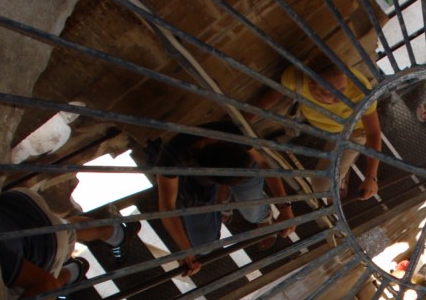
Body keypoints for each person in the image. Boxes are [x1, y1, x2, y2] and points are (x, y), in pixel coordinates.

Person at [154, 121, 292, 276]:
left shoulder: (231, 133)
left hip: (243, 170)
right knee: (204, 248)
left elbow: (264, 163)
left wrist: (285, 207)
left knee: (254, 215)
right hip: (198, 186)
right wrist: (185, 249)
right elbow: (167, 206)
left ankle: (253, 210)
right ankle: (222, 196)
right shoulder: (172, 158)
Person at [0, 189, 128, 300]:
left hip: (47, 241)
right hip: (20, 201)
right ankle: (115, 234)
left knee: (10, 297)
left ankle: (68, 274)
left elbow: (46, 286)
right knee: (62, 230)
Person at [257, 59, 382, 201]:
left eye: (342, 89)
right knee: (328, 181)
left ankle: (341, 176)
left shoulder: (360, 89)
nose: (339, 99)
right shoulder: (297, 79)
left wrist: (371, 177)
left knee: (322, 188)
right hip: (328, 127)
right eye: (331, 93)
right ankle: (342, 169)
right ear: (312, 85)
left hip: (353, 131)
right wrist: (244, 117)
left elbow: (373, 133)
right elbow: (274, 94)